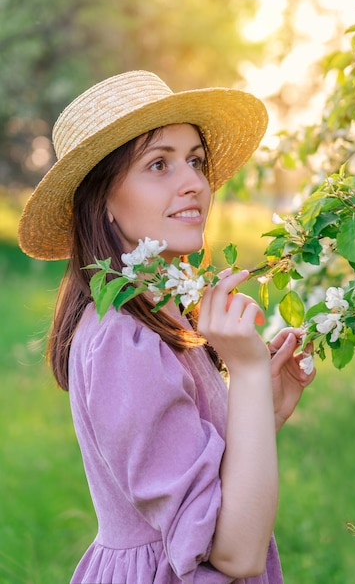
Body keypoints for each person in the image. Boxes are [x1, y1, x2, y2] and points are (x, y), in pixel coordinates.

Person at [18, 70, 315, 584]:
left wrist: (260, 411)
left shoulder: (162, 312)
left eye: (195, 161)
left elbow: (209, 487)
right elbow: (235, 554)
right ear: (105, 201)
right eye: (159, 164)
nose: (194, 182)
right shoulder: (122, 341)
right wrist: (243, 371)